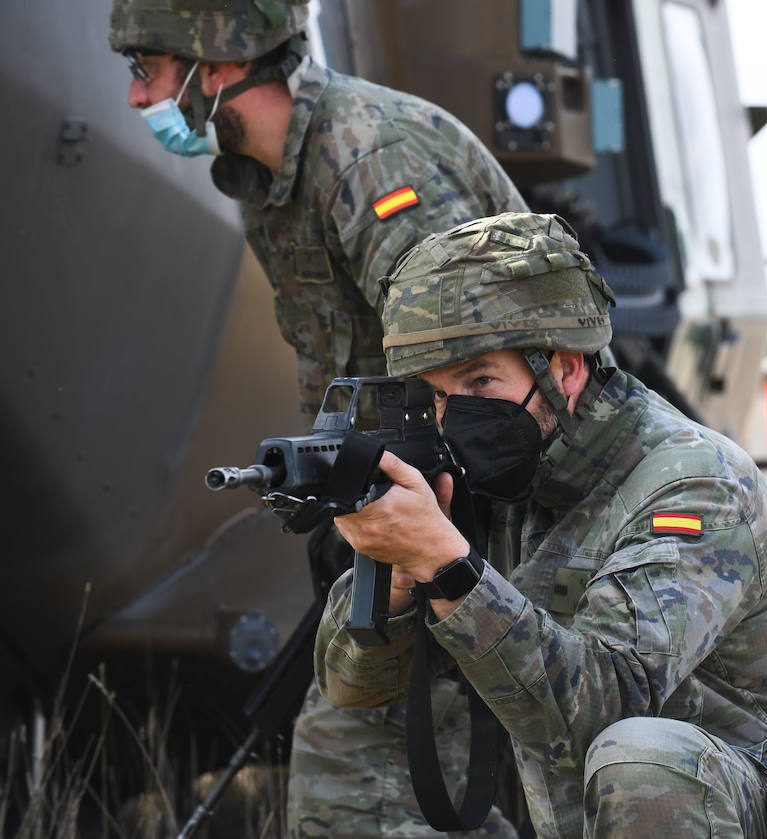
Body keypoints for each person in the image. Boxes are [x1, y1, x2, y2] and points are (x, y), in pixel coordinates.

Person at [315, 212, 767, 839]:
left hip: (763, 812)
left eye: (480, 381)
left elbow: (605, 708)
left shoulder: (693, 483)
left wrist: (450, 569)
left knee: (641, 761)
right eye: (436, 396)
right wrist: (394, 580)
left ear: (566, 370)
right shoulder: (489, 477)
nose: (454, 418)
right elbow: (352, 688)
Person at [108, 1, 528, 835]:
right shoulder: (268, 177)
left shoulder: (369, 160)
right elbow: (354, 368)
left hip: (482, 511)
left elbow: (484, 381)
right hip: (405, 511)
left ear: (213, 70)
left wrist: (414, 528)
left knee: (418, 769)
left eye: (145, 71)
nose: (134, 98)